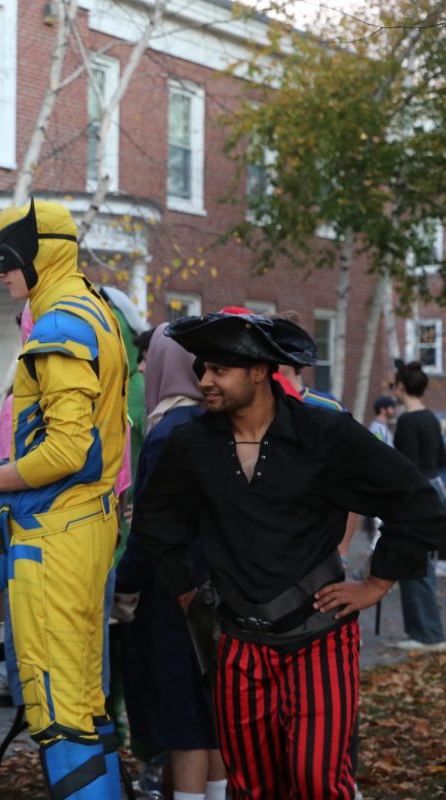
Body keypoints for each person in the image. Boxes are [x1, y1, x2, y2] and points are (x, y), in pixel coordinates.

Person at [132, 312, 446, 798]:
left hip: (320, 638)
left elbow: (418, 501)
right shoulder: (191, 444)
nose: (204, 381)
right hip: (237, 645)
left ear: (259, 371)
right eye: (201, 369)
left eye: (218, 370)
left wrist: (376, 583)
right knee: (253, 786)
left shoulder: (324, 434)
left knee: (317, 780)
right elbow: (155, 525)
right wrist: (187, 591)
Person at [0, 199, 128, 799]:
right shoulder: (96, 312)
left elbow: (68, 451)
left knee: (58, 708)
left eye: (4, 260)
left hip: (56, 536)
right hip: (82, 529)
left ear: (33, 254)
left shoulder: (61, 323)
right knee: (83, 701)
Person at [115, 326, 225, 800]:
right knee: (212, 710)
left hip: (172, 590)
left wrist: (126, 583)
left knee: (183, 719)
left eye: (148, 360)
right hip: (218, 583)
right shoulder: (218, 421)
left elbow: (153, 527)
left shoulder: (167, 432)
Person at [390, 360, 446, 652]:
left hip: (417, 498)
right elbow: (440, 460)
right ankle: (426, 631)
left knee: (416, 565)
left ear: (401, 387)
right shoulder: (432, 419)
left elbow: (405, 469)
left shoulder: (408, 422)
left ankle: (428, 634)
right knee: (423, 564)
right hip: (434, 490)